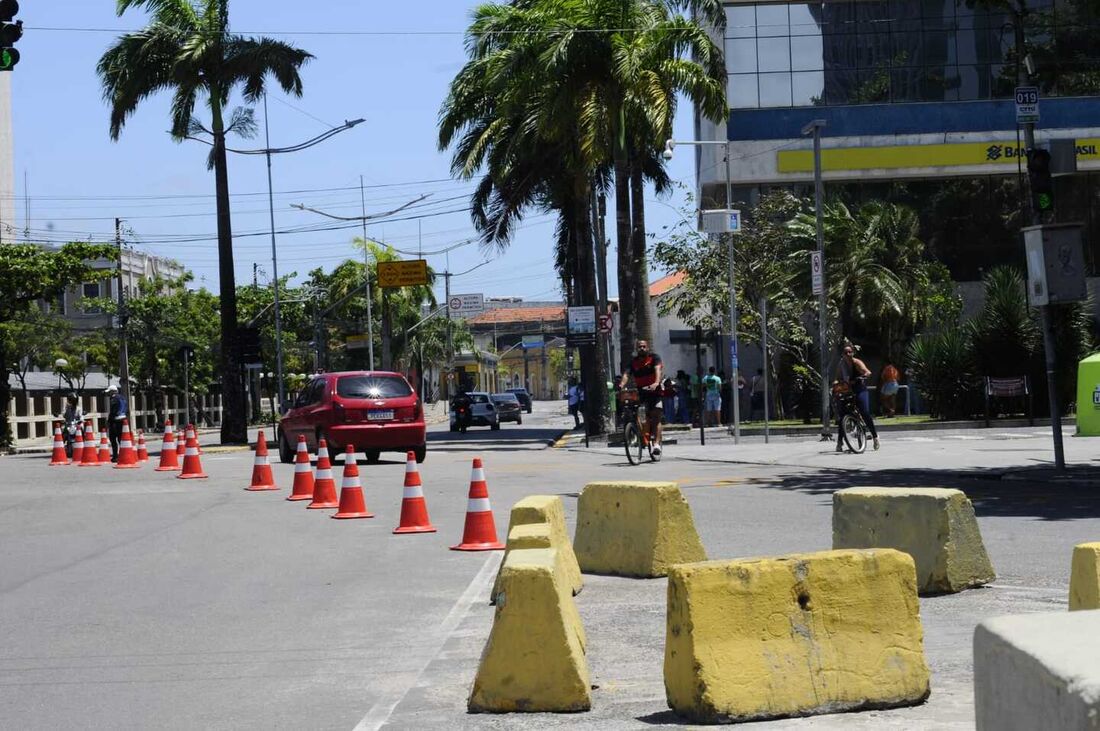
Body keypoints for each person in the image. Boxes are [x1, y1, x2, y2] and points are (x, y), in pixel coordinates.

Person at [619, 339, 664, 457]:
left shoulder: (654, 358)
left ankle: (656, 444)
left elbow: (657, 370)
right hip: (642, 393)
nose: (642, 349)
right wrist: (621, 385)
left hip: (655, 392)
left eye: (644, 346)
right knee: (641, 415)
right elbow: (626, 374)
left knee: (656, 417)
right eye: (639, 347)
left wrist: (656, 383)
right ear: (636, 349)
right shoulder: (633, 362)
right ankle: (643, 437)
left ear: (647, 347)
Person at [835, 344, 880, 451]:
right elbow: (837, 378)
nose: (848, 354)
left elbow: (867, 371)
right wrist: (835, 384)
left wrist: (863, 376)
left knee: (864, 412)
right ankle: (840, 442)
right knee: (842, 416)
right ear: (843, 355)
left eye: (850, 352)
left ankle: (875, 437)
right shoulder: (841, 364)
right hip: (847, 390)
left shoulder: (857, 362)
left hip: (860, 389)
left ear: (853, 353)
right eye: (846, 352)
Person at [107, 384, 128, 462]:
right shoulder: (123, 398)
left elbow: (113, 411)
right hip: (123, 419)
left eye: (109, 392)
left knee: (113, 439)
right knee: (121, 439)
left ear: (112, 392)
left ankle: (115, 456)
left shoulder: (114, 399)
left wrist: (109, 421)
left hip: (116, 420)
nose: (108, 394)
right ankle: (124, 454)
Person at [59, 394, 84, 458]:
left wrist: (81, 420)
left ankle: (84, 442)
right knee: (62, 433)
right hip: (68, 424)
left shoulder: (79, 408)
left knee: (83, 430)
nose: (73, 401)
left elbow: (81, 416)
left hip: (76, 425)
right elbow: (63, 415)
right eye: (71, 400)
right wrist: (62, 418)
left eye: (74, 400)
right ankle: (60, 447)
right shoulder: (66, 408)